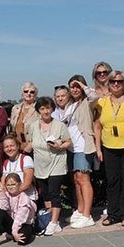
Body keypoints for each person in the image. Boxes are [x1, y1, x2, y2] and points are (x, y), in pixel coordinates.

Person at [95, 70, 124, 227]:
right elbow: (97, 126)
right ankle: (113, 214)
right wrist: (98, 149)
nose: (116, 84)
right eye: (113, 81)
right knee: (112, 181)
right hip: (109, 147)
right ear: (108, 84)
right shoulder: (103, 102)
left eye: (119, 81)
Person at [25, 97, 72, 236]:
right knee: (45, 193)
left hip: (57, 162)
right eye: (42, 108)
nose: (46, 111)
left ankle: (53, 221)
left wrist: (60, 146)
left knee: (54, 192)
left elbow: (68, 142)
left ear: (52, 109)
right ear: (38, 110)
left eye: (48, 108)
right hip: (40, 165)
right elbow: (29, 143)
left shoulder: (60, 125)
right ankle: (51, 220)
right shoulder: (33, 126)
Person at [65, 75, 98, 229]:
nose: (75, 89)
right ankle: (80, 209)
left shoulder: (87, 102)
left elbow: (94, 95)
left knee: (84, 179)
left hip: (83, 146)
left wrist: (82, 86)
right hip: (71, 148)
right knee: (76, 180)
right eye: (72, 86)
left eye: (77, 86)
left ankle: (87, 215)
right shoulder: (70, 106)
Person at [1, 134, 37, 201]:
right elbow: (3, 184)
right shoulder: (6, 163)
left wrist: (13, 193)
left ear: (18, 146)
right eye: (6, 147)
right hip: (11, 200)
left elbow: (27, 183)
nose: (9, 149)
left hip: (27, 199)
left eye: (12, 146)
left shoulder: (26, 159)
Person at [10, 82, 39, 151]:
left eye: (32, 92)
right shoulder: (15, 108)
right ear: (22, 93)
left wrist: (30, 146)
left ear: (35, 95)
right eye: (26, 91)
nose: (28, 93)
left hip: (31, 148)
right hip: (16, 147)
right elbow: (12, 129)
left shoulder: (38, 108)